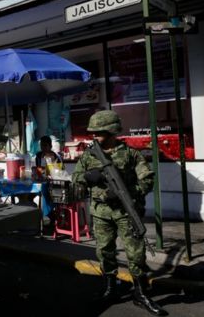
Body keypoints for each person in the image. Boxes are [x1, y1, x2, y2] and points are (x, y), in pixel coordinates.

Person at [71, 110, 167, 316]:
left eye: (99, 132)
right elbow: (77, 177)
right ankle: (110, 288)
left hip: (125, 211)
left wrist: (130, 194)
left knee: (135, 252)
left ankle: (140, 293)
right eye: (93, 132)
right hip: (101, 212)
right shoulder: (89, 155)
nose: (94, 136)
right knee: (105, 251)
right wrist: (87, 178)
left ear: (112, 131)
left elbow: (147, 179)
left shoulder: (131, 154)